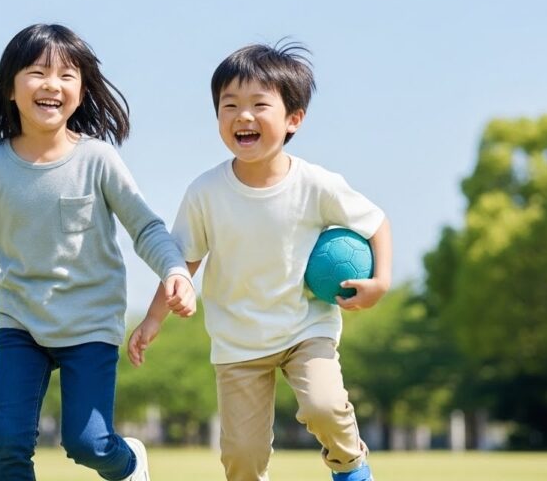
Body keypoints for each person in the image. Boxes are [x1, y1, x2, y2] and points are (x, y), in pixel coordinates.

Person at [0, 23, 196, 481]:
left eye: (66, 75)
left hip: (91, 321)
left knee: (88, 443)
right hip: (20, 323)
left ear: (81, 90)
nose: (51, 84)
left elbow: (146, 227)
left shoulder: (98, 159)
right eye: (37, 72)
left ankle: (129, 462)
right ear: (9, 87)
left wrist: (175, 270)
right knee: (9, 444)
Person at [128, 42, 392, 481]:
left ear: (293, 118)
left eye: (258, 105)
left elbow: (377, 222)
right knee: (241, 456)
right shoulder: (205, 192)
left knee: (324, 407)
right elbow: (182, 262)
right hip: (238, 342)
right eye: (229, 105)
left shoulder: (317, 184)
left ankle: (351, 467)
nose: (242, 116)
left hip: (306, 327)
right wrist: (154, 319)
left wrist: (380, 282)